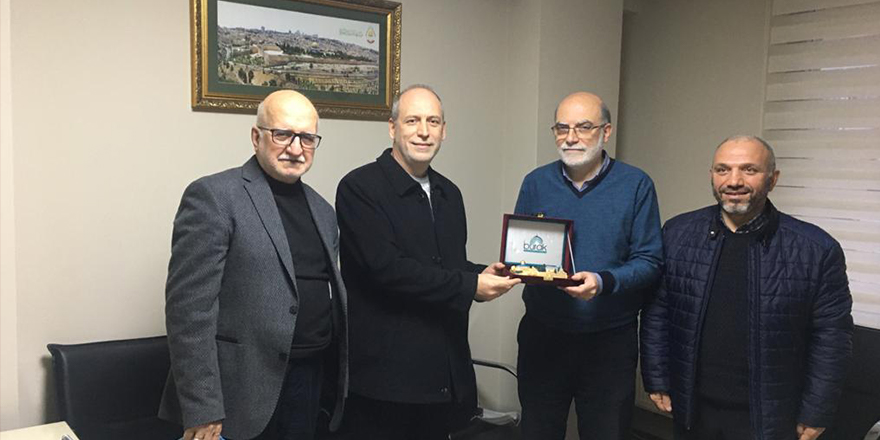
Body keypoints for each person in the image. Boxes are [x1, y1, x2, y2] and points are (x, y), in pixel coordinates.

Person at [159, 90, 348, 440]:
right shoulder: (214, 196)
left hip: (308, 382)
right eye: (283, 134)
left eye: (307, 138)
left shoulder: (323, 211)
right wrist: (203, 407)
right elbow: (189, 312)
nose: (296, 148)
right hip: (239, 392)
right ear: (256, 137)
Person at [335, 84, 520, 439]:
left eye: (433, 121)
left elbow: (444, 266)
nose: (423, 131)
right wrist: (471, 284)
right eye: (413, 121)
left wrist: (481, 274)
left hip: (444, 379)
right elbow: (389, 270)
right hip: (385, 384)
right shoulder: (359, 188)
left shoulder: (450, 193)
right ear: (392, 127)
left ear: (444, 131)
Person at [640, 136, 853, 440]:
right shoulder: (677, 233)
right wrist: (657, 376)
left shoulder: (816, 249)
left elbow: (831, 337)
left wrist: (817, 410)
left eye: (749, 169)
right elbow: (658, 312)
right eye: (723, 169)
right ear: (712, 175)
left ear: (773, 179)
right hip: (693, 410)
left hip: (769, 417)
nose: (734, 181)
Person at [512, 92, 662, 439]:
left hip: (608, 341)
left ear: (606, 132)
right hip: (543, 335)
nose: (571, 137)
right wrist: (515, 268)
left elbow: (650, 260)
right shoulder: (536, 183)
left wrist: (603, 281)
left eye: (583, 127)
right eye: (562, 128)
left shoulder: (636, 185)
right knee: (537, 431)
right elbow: (522, 249)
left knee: (606, 432)